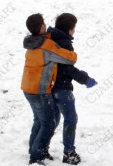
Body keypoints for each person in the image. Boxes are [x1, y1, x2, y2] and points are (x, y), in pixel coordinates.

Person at [21, 13, 78, 165]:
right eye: (44, 23)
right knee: (49, 123)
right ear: (41, 26)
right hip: (39, 90)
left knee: (39, 121)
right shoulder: (45, 44)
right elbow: (69, 58)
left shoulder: (31, 43)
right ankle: (37, 156)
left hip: (27, 87)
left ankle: (33, 149)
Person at [47, 13, 97, 165]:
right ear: (70, 29)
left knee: (52, 120)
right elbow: (67, 68)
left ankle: (41, 147)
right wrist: (85, 79)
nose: (74, 31)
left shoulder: (50, 39)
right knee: (71, 119)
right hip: (62, 88)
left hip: (49, 86)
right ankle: (69, 153)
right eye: (74, 28)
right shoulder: (64, 43)